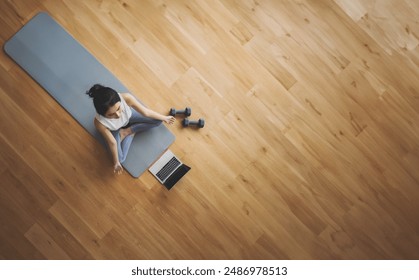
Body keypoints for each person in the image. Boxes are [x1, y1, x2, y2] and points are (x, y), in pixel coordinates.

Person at [86, 84, 175, 174]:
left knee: (158, 120)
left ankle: (129, 130)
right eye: (110, 114)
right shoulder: (99, 123)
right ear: (102, 114)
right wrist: (116, 162)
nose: (118, 115)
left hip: (129, 116)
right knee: (120, 159)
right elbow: (112, 142)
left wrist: (165, 118)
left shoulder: (127, 98)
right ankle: (123, 133)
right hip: (115, 129)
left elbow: (146, 112)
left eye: (118, 109)